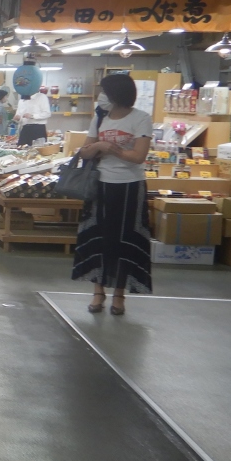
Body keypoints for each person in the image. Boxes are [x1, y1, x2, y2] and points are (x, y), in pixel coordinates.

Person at [71, 73, 153, 317]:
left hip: (130, 186)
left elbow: (138, 156)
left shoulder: (141, 118)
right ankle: (98, 291)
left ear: (116, 94)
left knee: (125, 239)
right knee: (99, 237)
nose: (101, 96)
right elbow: (85, 152)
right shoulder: (99, 118)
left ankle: (119, 294)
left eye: (104, 92)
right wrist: (98, 146)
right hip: (100, 185)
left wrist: (111, 149)